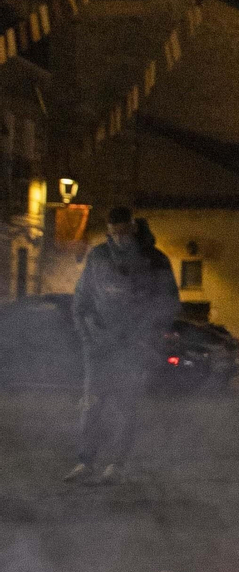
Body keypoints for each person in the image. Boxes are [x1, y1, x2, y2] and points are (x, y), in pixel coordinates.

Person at [64, 206, 180, 485]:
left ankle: (116, 464)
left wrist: (147, 337)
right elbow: (81, 301)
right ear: (108, 231)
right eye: (113, 234)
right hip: (100, 348)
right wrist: (88, 337)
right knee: (91, 405)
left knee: (126, 407)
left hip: (134, 347)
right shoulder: (98, 256)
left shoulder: (154, 260)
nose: (119, 239)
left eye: (124, 233)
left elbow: (169, 304)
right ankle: (85, 462)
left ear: (134, 229)